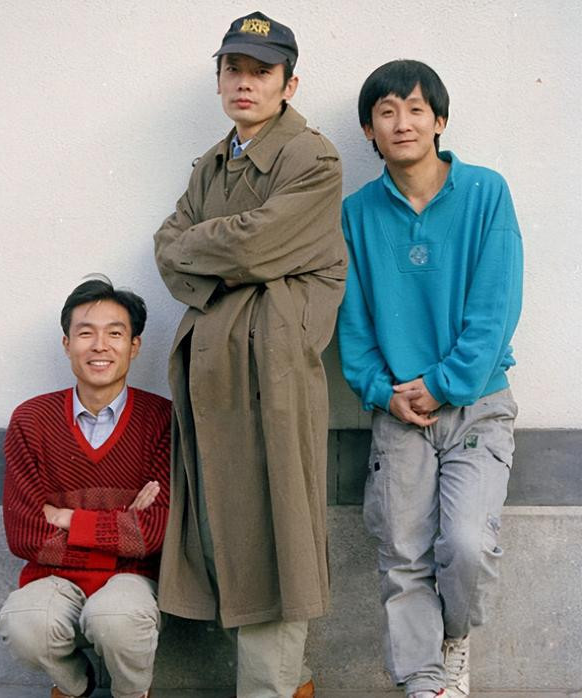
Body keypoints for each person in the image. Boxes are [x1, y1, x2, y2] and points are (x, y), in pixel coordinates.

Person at [153, 11, 346, 698]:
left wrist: (218, 249)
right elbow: (167, 250)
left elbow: (253, 244)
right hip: (214, 373)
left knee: (278, 532)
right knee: (228, 528)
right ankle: (292, 683)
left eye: (261, 72)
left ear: (289, 84)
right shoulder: (212, 162)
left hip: (274, 374)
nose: (245, 82)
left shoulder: (313, 159)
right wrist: (230, 256)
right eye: (233, 69)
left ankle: (272, 689)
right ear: (218, 81)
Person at [337, 60, 523, 698]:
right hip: (398, 410)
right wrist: (378, 390)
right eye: (386, 112)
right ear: (369, 130)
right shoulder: (357, 213)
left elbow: (496, 307)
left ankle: (453, 640)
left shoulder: (486, 192)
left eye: (416, 109)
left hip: (477, 404)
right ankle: (425, 682)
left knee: (467, 545)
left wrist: (445, 383)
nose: (403, 123)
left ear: (439, 120)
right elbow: (353, 320)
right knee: (403, 553)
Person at [0, 275, 171, 698]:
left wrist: (67, 518)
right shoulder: (31, 420)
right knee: (23, 623)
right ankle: (75, 686)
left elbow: (155, 533)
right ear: (67, 343)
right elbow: (24, 534)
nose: (100, 346)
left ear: (135, 346)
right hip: (53, 578)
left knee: (116, 617)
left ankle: (132, 693)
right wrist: (122, 525)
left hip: (133, 580)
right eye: (86, 333)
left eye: (115, 333)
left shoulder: (162, 419)